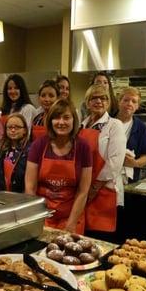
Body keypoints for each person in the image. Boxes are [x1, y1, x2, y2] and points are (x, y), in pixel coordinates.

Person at [25, 99, 92, 234]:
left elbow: (83, 191)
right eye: (56, 117)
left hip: (72, 217)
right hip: (43, 216)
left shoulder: (83, 147)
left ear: (74, 120)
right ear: (50, 121)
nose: (61, 122)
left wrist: (71, 224)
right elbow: (30, 187)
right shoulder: (39, 145)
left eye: (66, 117)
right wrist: (38, 218)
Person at [80, 85, 126, 235]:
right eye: (94, 98)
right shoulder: (81, 125)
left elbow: (115, 162)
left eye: (103, 98)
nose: (99, 101)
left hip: (104, 189)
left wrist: (94, 188)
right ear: (87, 102)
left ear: (108, 102)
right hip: (83, 189)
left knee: (100, 238)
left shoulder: (115, 125)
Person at [115, 86, 146, 185]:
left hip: (129, 182)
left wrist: (134, 163)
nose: (129, 104)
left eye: (134, 101)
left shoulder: (141, 127)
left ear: (137, 106)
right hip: (106, 179)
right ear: (119, 102)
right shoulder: (108, 121)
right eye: (126, 100)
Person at [0, 113, 30, 193]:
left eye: (17, 127)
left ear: (25, 130)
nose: (13, 130)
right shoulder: (3, 149)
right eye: (10, 127)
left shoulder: (29, 150)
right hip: (4, 193)